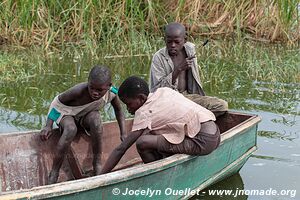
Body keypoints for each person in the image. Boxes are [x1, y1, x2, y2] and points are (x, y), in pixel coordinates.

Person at [101, 76, 220, 174]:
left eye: (129, 104)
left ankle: (157, 174)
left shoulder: (143, 112)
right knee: (152, 132)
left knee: (142, 142)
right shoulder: (164, 91)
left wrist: (100, 176)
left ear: (141, 98)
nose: (128, 109)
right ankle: (164, 160)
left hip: (203, 141)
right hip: (215, 131)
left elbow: (121, 149)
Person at [40, 65, 126, 184]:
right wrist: (48, 125)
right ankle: (54, 172)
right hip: (66, 112)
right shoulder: (78, 91)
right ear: (88, 83)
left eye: (99, 90)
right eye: (92, 88)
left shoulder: (112, 93)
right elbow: (57, 104)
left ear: (109, 86)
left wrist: (123, 132)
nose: (95, 93)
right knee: (70, 129)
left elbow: (119, 110)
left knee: (96, 120)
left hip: (84, 114)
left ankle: (97, 163)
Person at [149, 22, 228, 117]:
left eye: (177, 42)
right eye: (169, 42)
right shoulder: (158, 58)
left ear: (185, 40)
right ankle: (192, 117)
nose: (173, 45)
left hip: (188, 97)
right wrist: (178, 69)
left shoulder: (190, 50)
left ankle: (190, 117)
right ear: (164, 40)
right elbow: (158, 90)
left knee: (221, 105)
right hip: (168, 102)